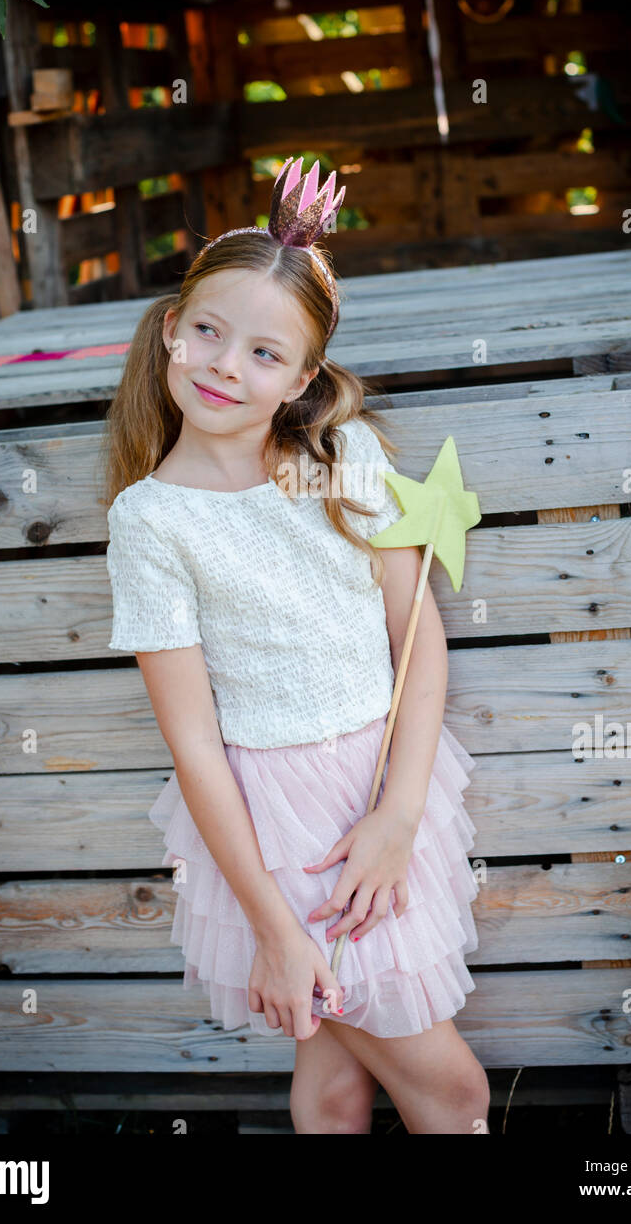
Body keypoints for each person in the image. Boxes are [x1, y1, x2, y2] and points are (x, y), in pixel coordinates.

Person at [103, 156, 490, 1134]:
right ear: (169, 332)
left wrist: (400, 812)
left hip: (386, 791)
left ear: (302, 378)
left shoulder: (341, 456)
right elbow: (193, 742)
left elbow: (416, 637)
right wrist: (275, 931)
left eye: (265, 354)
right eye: (208, 332)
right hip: (278, 833)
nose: (227, 365)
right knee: (452, 1093)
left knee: (334, 1086)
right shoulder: (153, 521)